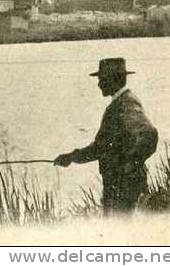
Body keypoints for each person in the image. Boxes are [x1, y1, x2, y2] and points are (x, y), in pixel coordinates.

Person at [54, 57, 159, 213]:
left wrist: (130, 163)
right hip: (122, 184)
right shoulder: (127, 101)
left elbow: (150, 134)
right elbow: (105, 146)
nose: (99, 84)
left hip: (122, 187)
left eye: (102, 79)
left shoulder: (122, 105)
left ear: (114, 80)